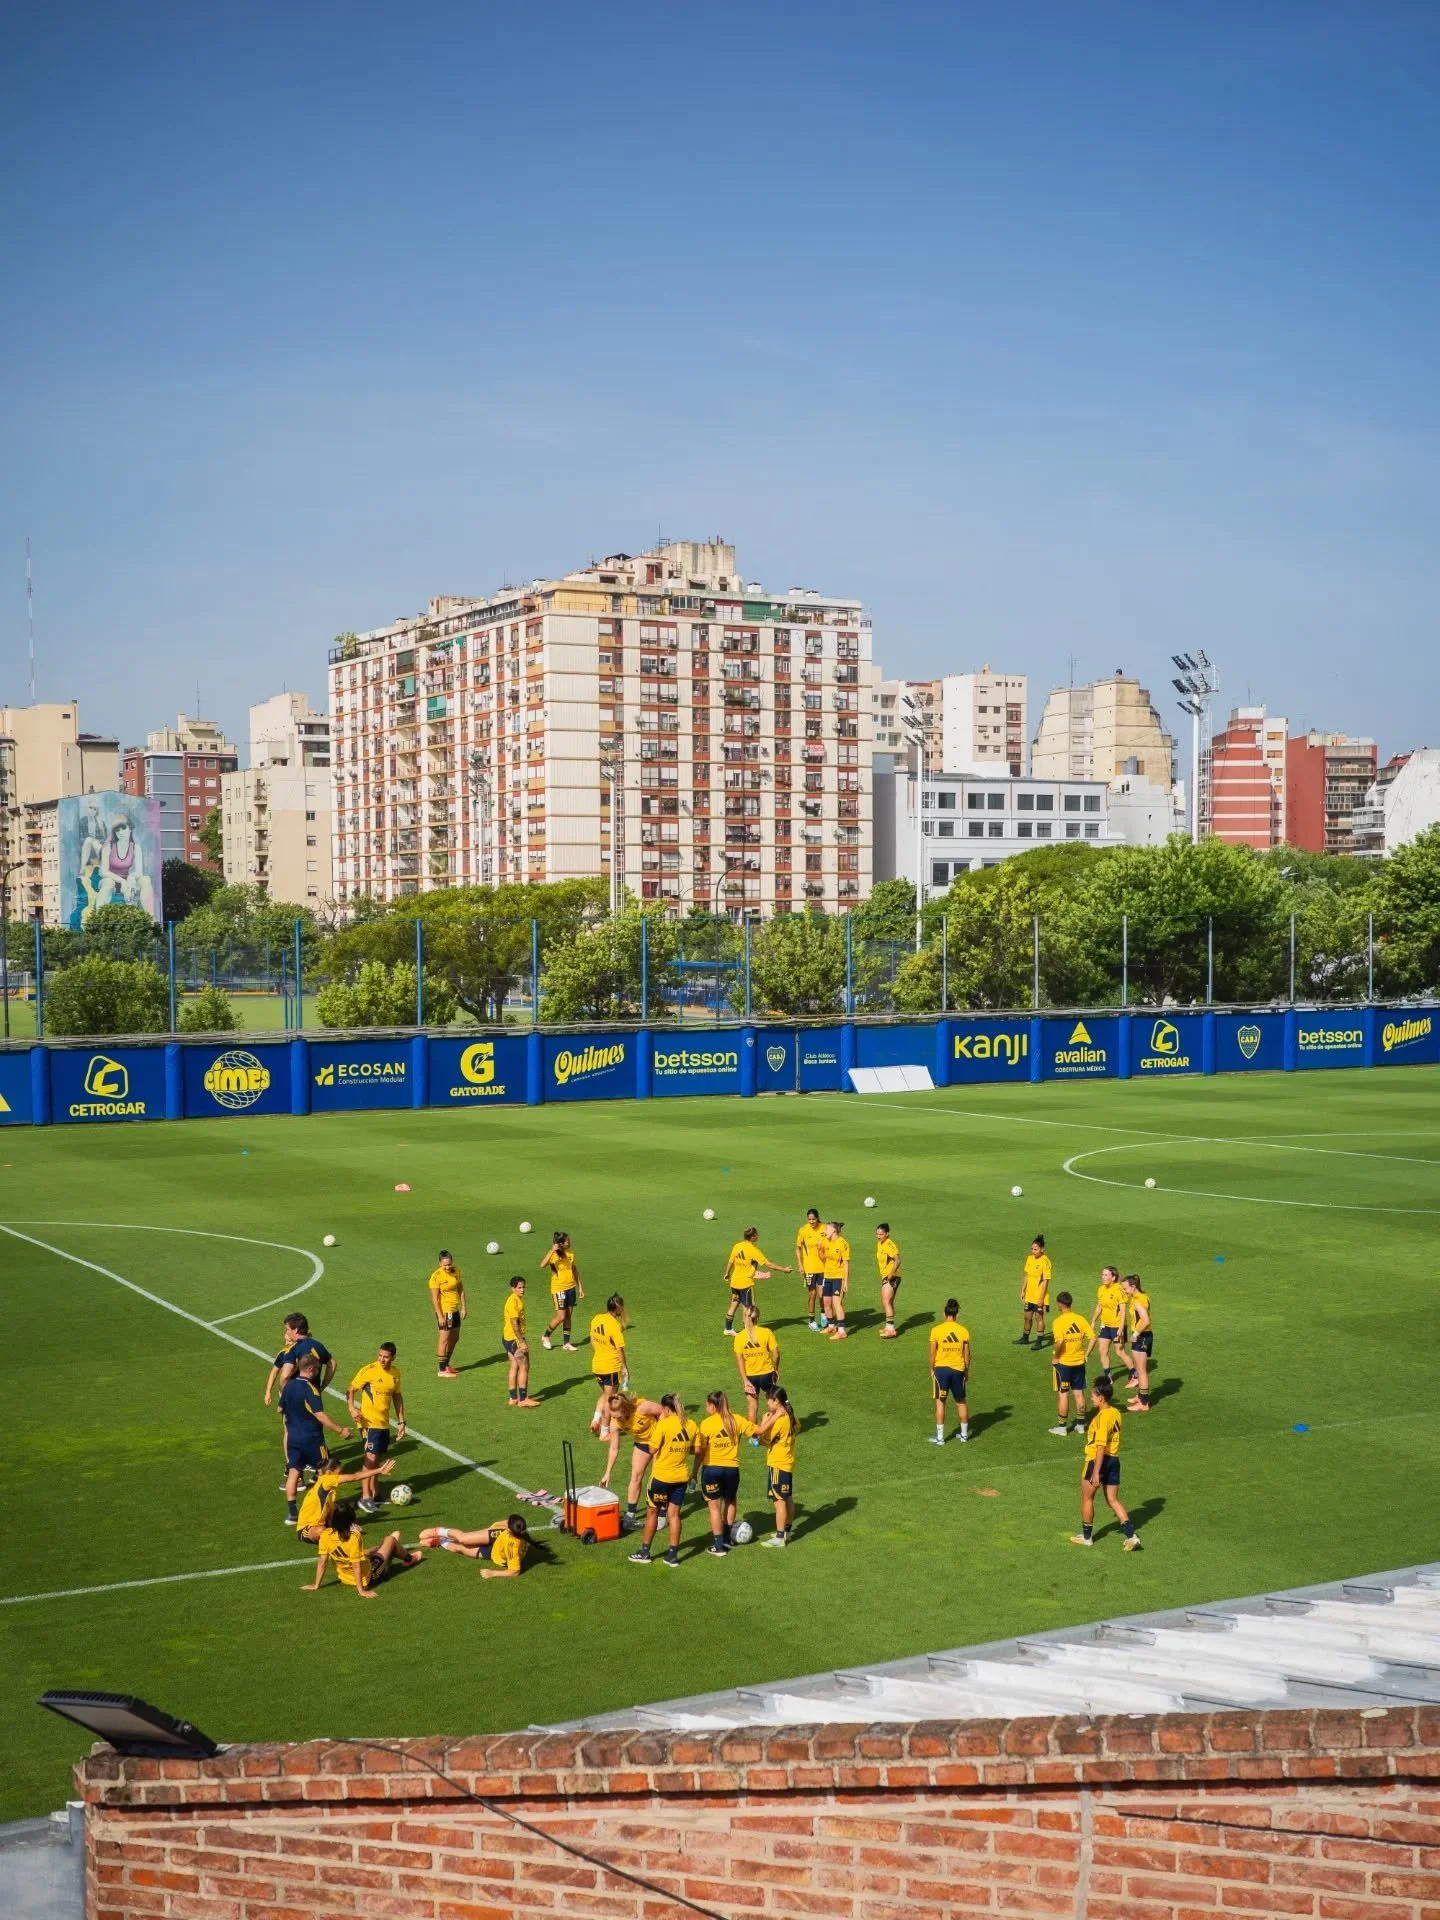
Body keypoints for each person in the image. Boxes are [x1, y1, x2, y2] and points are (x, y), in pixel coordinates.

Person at [627, 1394, 699, 1568]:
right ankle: (672, 1555)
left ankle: (645, 1552)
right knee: (674, 1516)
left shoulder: (663, 1424)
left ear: (666, 1409)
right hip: (681, 1478)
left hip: (661, 1477)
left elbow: (652, 1449)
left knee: (652, 1513)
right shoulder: (691, 1425)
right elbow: (696, 1450)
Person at [1071, 1375, 1142, 1550]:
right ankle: (1131, 1536)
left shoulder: (1102, 1418)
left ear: (1101, 1398)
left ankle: (1087, 1536)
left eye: (1093, 1396)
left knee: (1087, 1498)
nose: (1091, 1398)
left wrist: (1095, 1471)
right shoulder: (1116, 1413)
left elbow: (1100, 1446)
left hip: (1097, 1460)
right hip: (1114, 1460)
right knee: (1113, 1499)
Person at [280, 1354, 351, 1525]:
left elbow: (279, 1409)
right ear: (311, 1369)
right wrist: (341, 1430)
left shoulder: (288, 1386)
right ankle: (325, 1511)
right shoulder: (311, 1389)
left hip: (293, 1438)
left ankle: (292, 1513)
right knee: (326, 1474)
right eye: (317, 1369)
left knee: (294, 1473)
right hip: (312, 1440)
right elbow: (320, 1415)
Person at [264, 1312, 335, 1483]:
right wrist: (323, 1385)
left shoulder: (293, 1350)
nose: (286, 1332)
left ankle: (295, 1473)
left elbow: (284, 1376)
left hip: (295, 1398)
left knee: (291, 1431)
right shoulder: (317, 1345)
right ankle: (319, 1470)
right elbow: (332, 1363)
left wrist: (285, 1393)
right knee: (316, 1432)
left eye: (288, 1329)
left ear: (295, 1330)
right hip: (313, 1395)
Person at [304, 1499, 422, 1598]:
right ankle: (409, 1558)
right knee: (390, 1540)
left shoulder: (325, 1535)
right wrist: (361, 1590)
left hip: (345, 1579)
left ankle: (386, 1547)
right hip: (370, 1576)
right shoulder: (354, 1537)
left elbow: (322, 1562)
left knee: (365, 1553)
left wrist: (316, 1585)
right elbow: (356, 1565)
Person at [346, 1342, 406, 1513]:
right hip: (368, 1423)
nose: (382, 1359)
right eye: (380, 1355)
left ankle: (375, 1494)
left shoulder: (395, 1374)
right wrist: (352, 1408)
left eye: (386, 1357)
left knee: (377, 1458)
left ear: (393, 1357)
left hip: (383, 1423)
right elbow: (350, 1390)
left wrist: (401, 1421)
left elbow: (397, 1397)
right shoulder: (369, 1370)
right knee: (370, 1458)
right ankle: (365, 1497)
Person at [697, 1390, 756, 1555]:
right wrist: (772, 1416)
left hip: (712, 1469)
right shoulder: (736, 1419)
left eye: (707, 1404)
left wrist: (694, 1471)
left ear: (713, 1406)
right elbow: (757, 1431)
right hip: (732, 1470)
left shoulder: (707, 1424)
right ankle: (728, 1538)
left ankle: (718, 1545)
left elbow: (700, 1450)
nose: (705, 1407)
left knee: (714, 1507)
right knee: (730, 1500)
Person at [598, 1389, 667, 1526]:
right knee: (635, 1476)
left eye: (618, 1416)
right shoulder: (615, 1422)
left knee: (658, 1478)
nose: (616, 1419)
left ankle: (662, 1515)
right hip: (642, 1443)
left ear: (625, 1409)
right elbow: (614, 1448)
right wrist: (607, 1473)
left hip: (660, 1442)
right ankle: (631, 1514)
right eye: (613, 1417)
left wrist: (660, 1435)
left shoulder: (642, 1407)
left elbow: (663, 1412)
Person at [295, 1461, 392, 1544]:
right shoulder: (327, 1479)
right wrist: (379, 1470)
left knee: (342, 1510)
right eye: (339, 1472)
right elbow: (355, 1477)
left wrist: (348, 1523)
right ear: (329, 1472)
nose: (341, 1475)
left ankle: (339, 1531)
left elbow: (331, 1509)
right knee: (321, 1531)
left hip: (323, 1523)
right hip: (306, 1529)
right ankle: (339, 1534)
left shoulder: (326, 1485)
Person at [722, 1227, 790, 1338]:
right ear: (752, 1237)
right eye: (757, 1235)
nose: (758, 1236)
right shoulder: (753, 1250)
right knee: (748, 1308)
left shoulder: (737, 1246)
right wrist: (784, 1270)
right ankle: (747, 1332)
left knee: (734, 1304)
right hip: (745, 1284)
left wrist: (726, 1273)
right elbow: (768, 1264)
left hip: (734, 1282)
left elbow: (731, 1261)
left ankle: (728, 1328)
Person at [754, 1383, 798, 1546]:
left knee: (778, 1500)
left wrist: (767, 1419)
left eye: (769, 1400)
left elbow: (761, 1435)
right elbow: (797, 1428)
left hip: (778, 1463)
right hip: (787, 1461)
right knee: (787, 1498)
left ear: (777, 1401)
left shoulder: (779, 1420)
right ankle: (786, 1530)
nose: (767, 1403)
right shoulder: (791, 1416)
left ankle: (779, 1538)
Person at [418, 1515, 530, 1577]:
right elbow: (505, 1522)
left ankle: (440, 1541)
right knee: (463, 1539)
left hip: (493, 1553)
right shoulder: (518, 1529)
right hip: (498, 1537)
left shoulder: (512, 1547)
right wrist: (491, 1528)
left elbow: (515, 1571)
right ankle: (438, 1531)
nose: (505, 1523)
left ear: (510, 1530)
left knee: (459, 1548)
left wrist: (492, 1573)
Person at [1048, 1292, 1096, 1436]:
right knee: (1079, 1393)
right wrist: (1086, 1354)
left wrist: (1056, 1357)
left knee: (1063, 1394)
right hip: (1079, 1363)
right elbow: (1093, 1338)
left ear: (1059, 1304)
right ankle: (1080, 1425)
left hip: (1064, 1364)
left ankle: (1062, 1427)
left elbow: (1060, 1342)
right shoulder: (1080, 1319)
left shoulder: (1058, 1322)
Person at [928, 1298, 971, 1444]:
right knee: (961, 1402)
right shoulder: (963, 1331)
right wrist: (966, 1371)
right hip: (958, 1369)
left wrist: (932, 1368)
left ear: (944, 1313)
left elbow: (932, 1353)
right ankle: (964, 1436)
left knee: (941, 1403)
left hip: (941, 1371)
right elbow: (967, 1354)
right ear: (957, 1314)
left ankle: (940, 1438)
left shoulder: (936, 1330)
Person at [589, 1294, 629, 1433]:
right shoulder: (614, 1325)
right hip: (610, 1367)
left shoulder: (597, 1318)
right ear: (618, 1308)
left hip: (597, 1364)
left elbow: (592, 1340)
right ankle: (604, 1431)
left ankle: (595, 1419)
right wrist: (624, 1368)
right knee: (610, 1399)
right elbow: (620, 1350)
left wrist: (601, 1351)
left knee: (605, 1394)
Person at [733, 1320, 780, 1431]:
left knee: (752, 1404)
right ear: (757, 1319)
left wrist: (745, 1379)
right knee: (773, 1402)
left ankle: (753, 1435)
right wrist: (776, 1370)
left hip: (750, 1376)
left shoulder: (739, 1336)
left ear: (744, 1320)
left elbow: (739, 1360)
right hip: (767, 1374)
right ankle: (774, 1430)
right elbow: (776, 1355)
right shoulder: (766, 1332)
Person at [540, 1231, 583, 1351]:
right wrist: (552, 1250)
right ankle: (545, 1336)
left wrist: (579, 1287)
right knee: (561, 1316)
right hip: (558, 1289)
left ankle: (566, 1343)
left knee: (568, 1316)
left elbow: (574, 1270)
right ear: (560, 1243)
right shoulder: (553, 1255)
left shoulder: (571, 1254)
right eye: (567, 1241)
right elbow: (542, 1265)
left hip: (570, 1288)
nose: (569, 1242)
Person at [502, 1276, 540, 1409]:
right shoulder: (513, 1302)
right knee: (524, 1367)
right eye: (519, 1287)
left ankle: (513, 1398)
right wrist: (521, 1341)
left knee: (514, 1365)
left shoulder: (515, 1299)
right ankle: (523, 1399)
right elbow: (514, 1323)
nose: (522, 1290)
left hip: (507, 1338)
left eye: (524, 1287)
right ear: (513, 1288)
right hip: (515, 1340)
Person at [428, 1251, 467, 1378]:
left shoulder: (456, 1271)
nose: (447, 1267)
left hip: (455, 1310)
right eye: (445, 1265)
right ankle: (441, 1369)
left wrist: (464, 1307)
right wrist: (440, 1316)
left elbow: (460, 1289)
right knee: (444, 1339)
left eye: (449, 1264)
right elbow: (435, 1299)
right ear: (440, 1264)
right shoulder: (436, 1277)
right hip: (446, 1311)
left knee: (455, 1337)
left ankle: (446, 1364)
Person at [1122, 1276, 1153, 1412]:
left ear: (1133, 1286)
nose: (1124, 1291)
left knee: (1141, 1371)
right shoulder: (1142, 1297)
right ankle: (1141, 1396)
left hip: (1142, 1336)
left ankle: (1144, 1403)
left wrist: (1135, 1334)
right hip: (1144, 1335)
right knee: (1140, 1370)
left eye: (1126, 1288)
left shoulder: (1138, 1301)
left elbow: (1145, 1320)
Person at [796, 1207, 828, 1331]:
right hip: (809, 1268)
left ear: (818, 1218)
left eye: (813, 1219)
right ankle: (811, 1320)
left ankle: (824, 1314)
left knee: (822, 1294)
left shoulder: (825, 1228)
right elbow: (798, 1248)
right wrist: (800, 1265)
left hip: (823, 1268)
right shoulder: (803, 1230)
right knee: (812, 1293)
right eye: (809, 1219)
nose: (811, 1222)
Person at [1017, 1237, 1052, 1348]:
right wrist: (1023, 1290)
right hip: (1029, 1295)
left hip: (1039, 1296)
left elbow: (1046, 1280)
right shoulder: (1030, 1259)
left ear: (1042, 1249)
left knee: (1039, 1318)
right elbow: (1027, 1275)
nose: (1033, 1251)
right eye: (1032, 1249)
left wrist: (1041, 1298)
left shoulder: (1045, 1261)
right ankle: (1025, 1338)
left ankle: (1038, 1341)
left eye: (1035, 1249)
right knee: (1027, 1317)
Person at [1093, 1266, 1128, 1375]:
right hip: (1105, 1325)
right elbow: (1099, 1306)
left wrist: (1121, 1328)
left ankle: (1134, 1373)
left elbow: (1123, 1311)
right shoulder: (1101, 1289)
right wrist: (1094, 1320)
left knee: (1120, 1352)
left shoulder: (1119, 1290)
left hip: (1117, 1326)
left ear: (1113, 1278)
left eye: (1106, 1275)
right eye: (1102, 1275)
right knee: (1102, 1351)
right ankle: (1107, 1377)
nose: (1103, 1277)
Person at [821, 1221, 850, 1340]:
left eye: (826, 1229)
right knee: (826, 1302)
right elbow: (823, 1258)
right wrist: (819, 1249)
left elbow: (846, 1263)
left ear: (833, 1230)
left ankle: (842, 1331)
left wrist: (846, 1281)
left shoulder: (843, 1243)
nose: (824, 1231)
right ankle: (831, 1326)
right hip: (827, 1276)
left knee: (836, 1303)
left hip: (838, 1277)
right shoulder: (825, 1241)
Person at [875, 1224, 902, 1337]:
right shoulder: (880, 1244)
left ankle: (891, 1330)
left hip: (892, 1277)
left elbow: (898, 1260)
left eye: (881, 1234)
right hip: (885, 1276)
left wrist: (890, 1275)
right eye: (877, 1234)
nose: (878, 1236)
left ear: (887, 1234)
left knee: (886, 1301)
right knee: (887, 1301)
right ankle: (889, 1326)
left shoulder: (889, 1245)